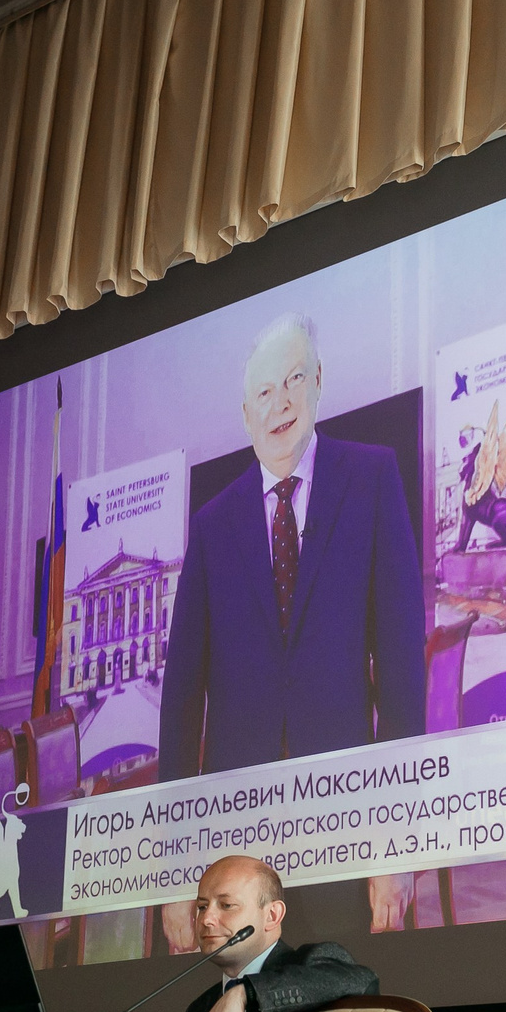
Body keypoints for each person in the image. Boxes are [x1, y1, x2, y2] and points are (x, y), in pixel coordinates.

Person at [158, 314, 427, 781]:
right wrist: (175, 814)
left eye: (294, 379)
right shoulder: (210, 528)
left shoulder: (372, 480)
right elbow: (183, 690)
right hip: (238, 800)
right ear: (246, 416)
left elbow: (400, 650)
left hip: (346, 789)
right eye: (264, 393)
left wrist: (398, 787)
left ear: (318, 380)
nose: (280, 403)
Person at [177, 856, 378, 1012]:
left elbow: (361, 980)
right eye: (202, 907)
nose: (206, 919)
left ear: (272, 915)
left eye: (227, 905)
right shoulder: (199, 1010)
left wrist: (246, 993)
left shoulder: (308, 963)